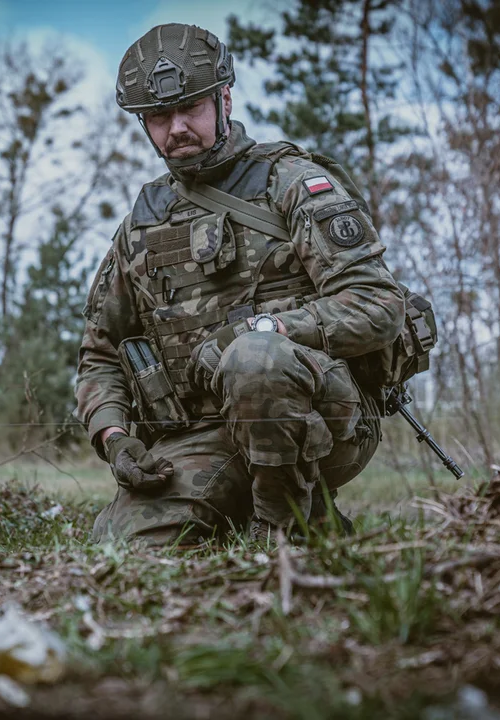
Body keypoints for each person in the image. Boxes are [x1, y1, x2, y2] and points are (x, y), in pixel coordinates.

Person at [75, 23, 407, 546]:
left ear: (224, 99)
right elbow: (101, 352)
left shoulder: (292, 183)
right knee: (127, 545)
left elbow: (377, 305)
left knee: (256, 356)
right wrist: (115, 435)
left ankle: (286, 529)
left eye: (192, 109)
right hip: (204, 435)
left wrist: (268, 329)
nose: (176, 127)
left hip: (322, 419)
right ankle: (247, 505)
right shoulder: (142, 222)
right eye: (159, 117)